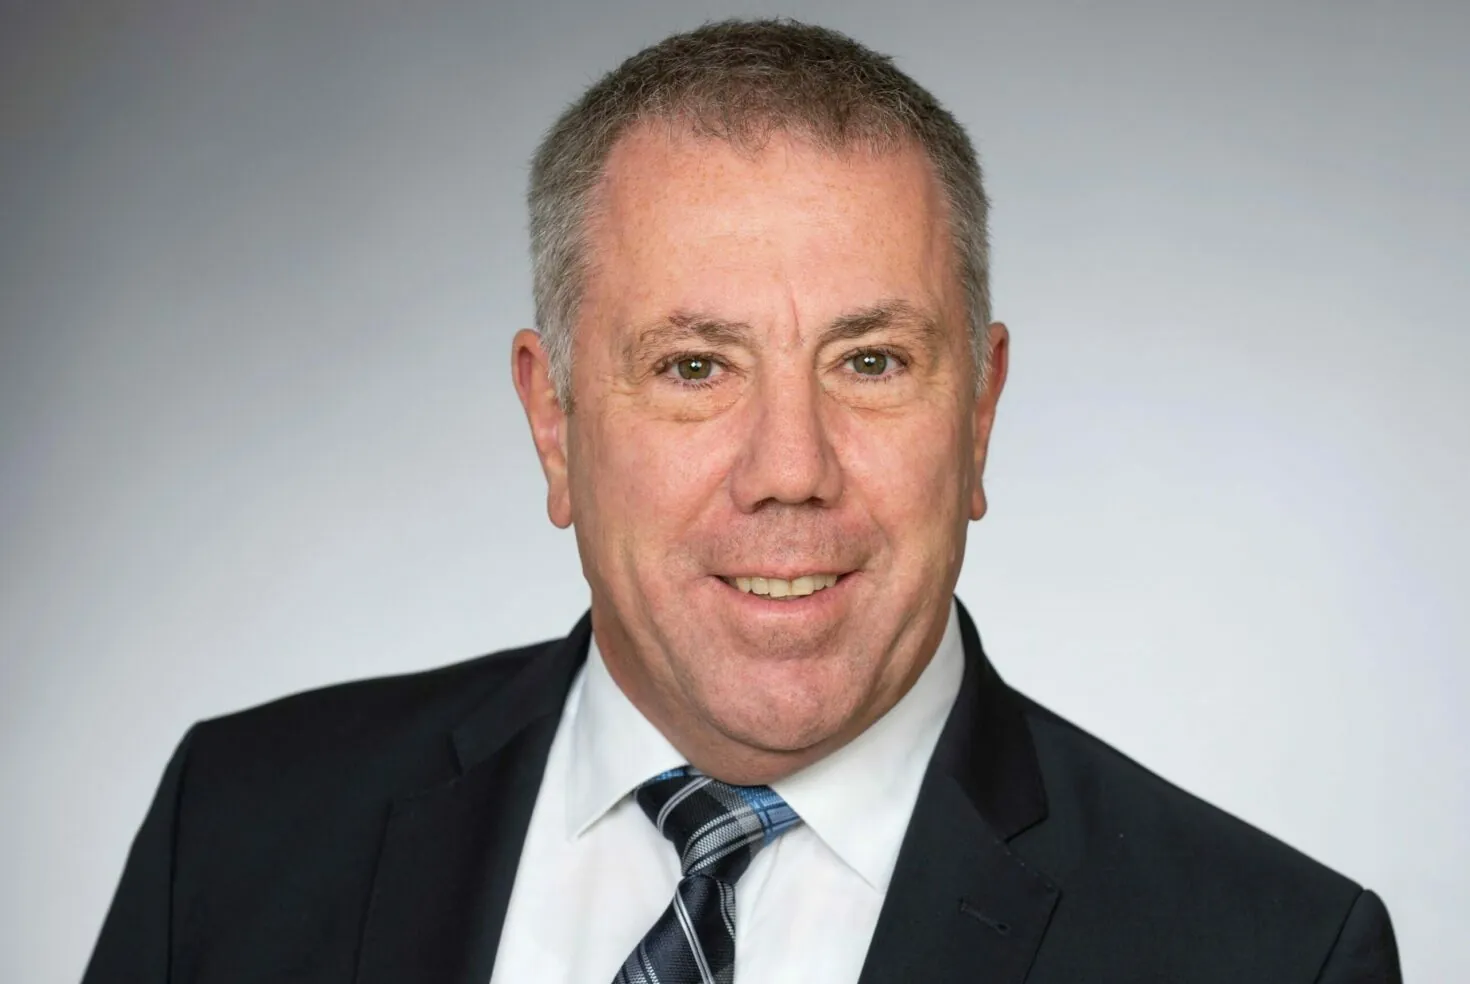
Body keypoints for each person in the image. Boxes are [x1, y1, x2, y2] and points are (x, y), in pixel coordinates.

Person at [83, 18, 1401, 984]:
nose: (789, 469)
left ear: (980, 410)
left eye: (869, 362)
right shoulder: (242, 828)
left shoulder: (1269, 955)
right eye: (694, 367)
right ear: (554, 422)